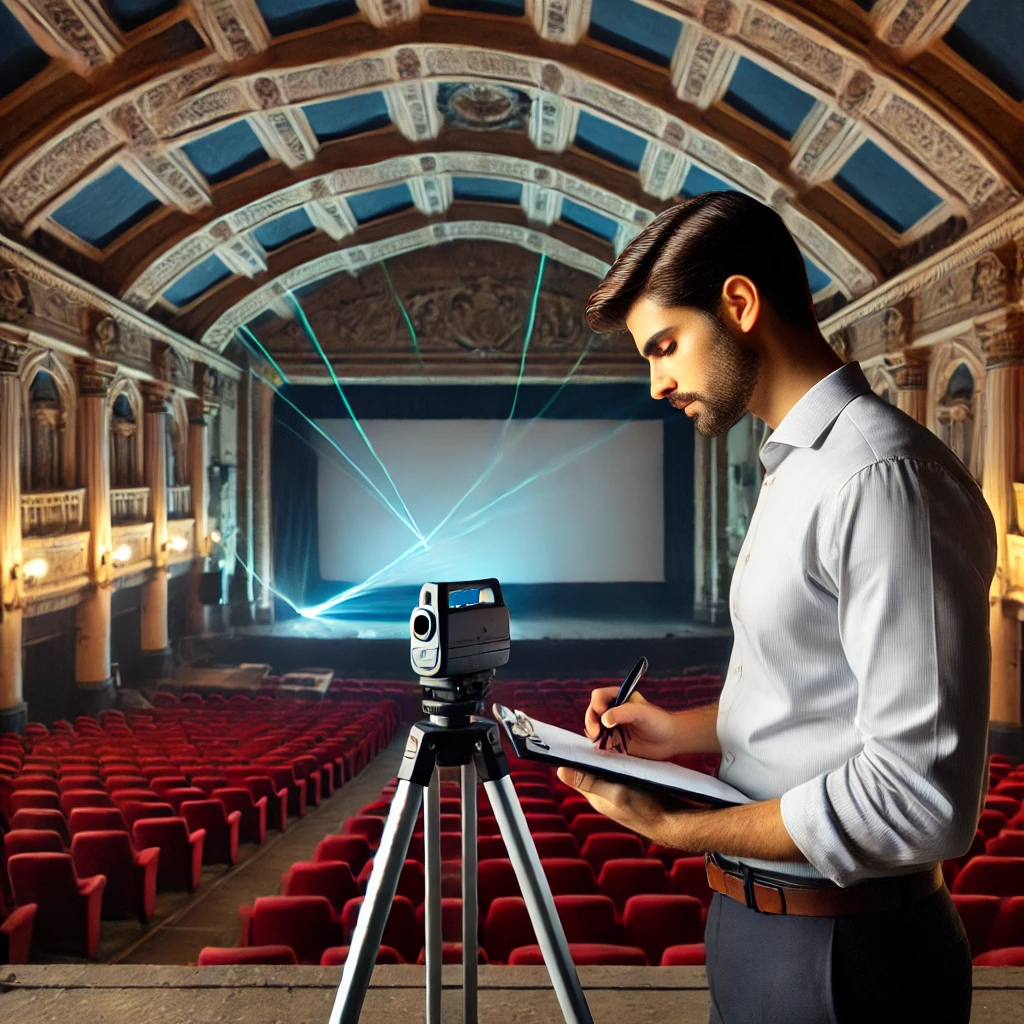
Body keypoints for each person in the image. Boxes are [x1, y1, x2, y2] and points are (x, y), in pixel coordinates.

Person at [557, 191, 997, 1023]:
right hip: (762, 926)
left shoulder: (878, 479)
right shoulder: (800, 466)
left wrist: (683, 829)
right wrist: (678, 731)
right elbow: (813, 699)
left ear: (740, 304)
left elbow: (917, 799)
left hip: (845, 956)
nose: (656, 382)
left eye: (664, 346)